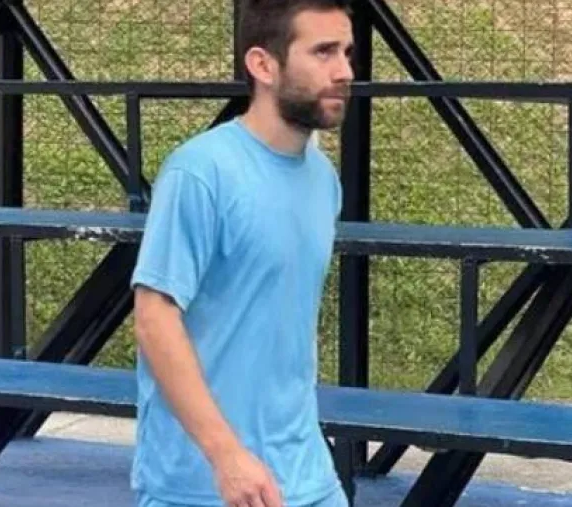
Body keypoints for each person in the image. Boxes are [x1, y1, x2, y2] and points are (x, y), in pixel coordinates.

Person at [129, 1, 355, 505]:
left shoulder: (324, 180)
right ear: (262, 65)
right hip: (202, 485)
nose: (344, 71)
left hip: (307, 476)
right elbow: (153, 320)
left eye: (346, 52)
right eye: (323, 52)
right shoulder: (200, 172)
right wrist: (226, 455)